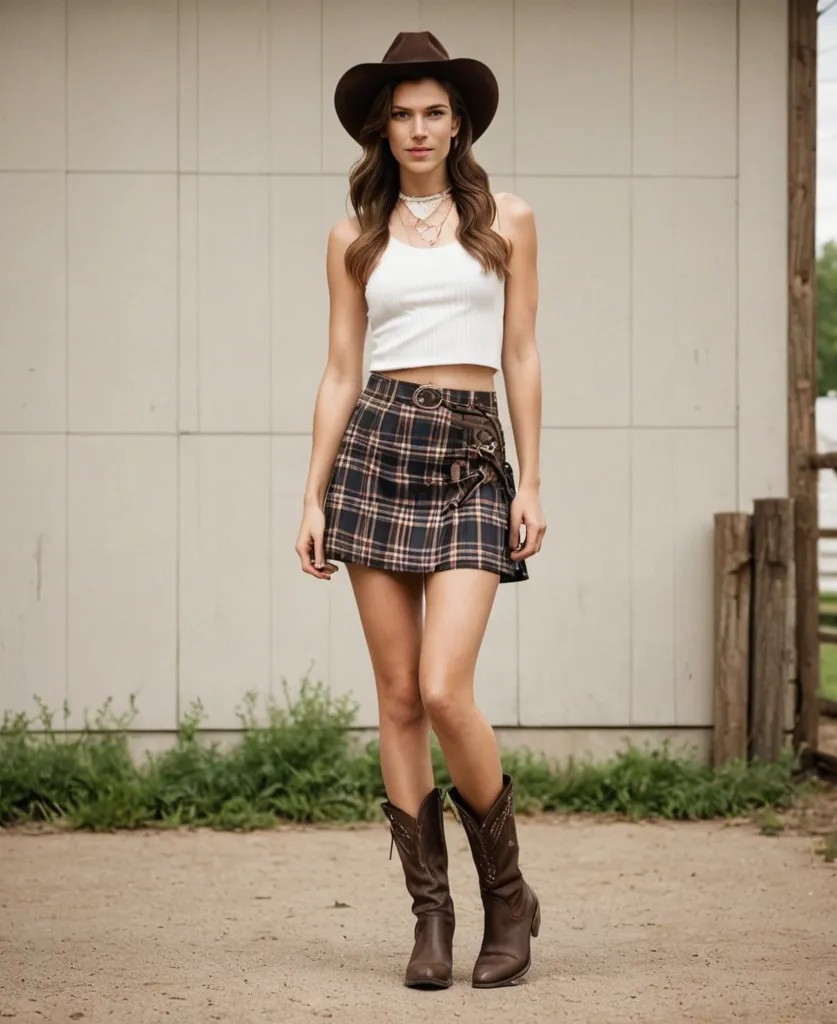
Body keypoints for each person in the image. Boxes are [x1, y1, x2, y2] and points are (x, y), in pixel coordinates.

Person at [295, 31, 546, 990]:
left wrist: (531, 478)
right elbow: (338, 370)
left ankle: (510, 897)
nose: (418, 129)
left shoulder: (510, 220)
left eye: (434, 111)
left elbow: (520, 353)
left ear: (460, 121)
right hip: (378, 445)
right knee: (398, 697)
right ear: (381, 127)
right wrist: (312, 493)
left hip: (475, 453)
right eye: (401, 113)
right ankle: (432, 920)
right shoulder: (354, 237)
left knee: (446, 689)